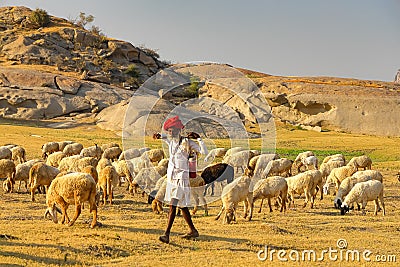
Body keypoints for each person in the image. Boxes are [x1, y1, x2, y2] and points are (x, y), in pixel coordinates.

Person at [153, 115, 208, 244]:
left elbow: (204, 152)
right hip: (172, 177)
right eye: (169, 130)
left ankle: (166, 234)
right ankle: (193, 230)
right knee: (182, 206)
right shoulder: (171, 141)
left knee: (173, 205)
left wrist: (199, 138)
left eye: (172, 130)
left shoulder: (188, 142)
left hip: (182, 178)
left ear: (179, 130)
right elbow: (162, 136)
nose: (170, 132)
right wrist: (157, 136)